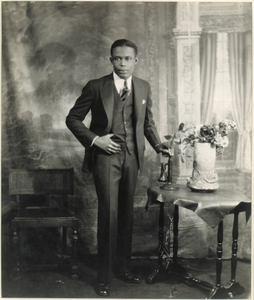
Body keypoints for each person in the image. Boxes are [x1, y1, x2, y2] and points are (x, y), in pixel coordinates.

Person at [66, 39, 169, 297]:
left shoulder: (143, 86)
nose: (122, 63)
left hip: (133, 158)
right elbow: (73, 118)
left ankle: (123, 268)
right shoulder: (96, 86)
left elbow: (147, 124)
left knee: (126, 215)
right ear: (111, 60)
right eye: (117, 58)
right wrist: (95, 140)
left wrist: (159, 146)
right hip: (106, 158)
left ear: (136, 60)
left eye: (127, 58)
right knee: (109, 215)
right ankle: (103, 276)